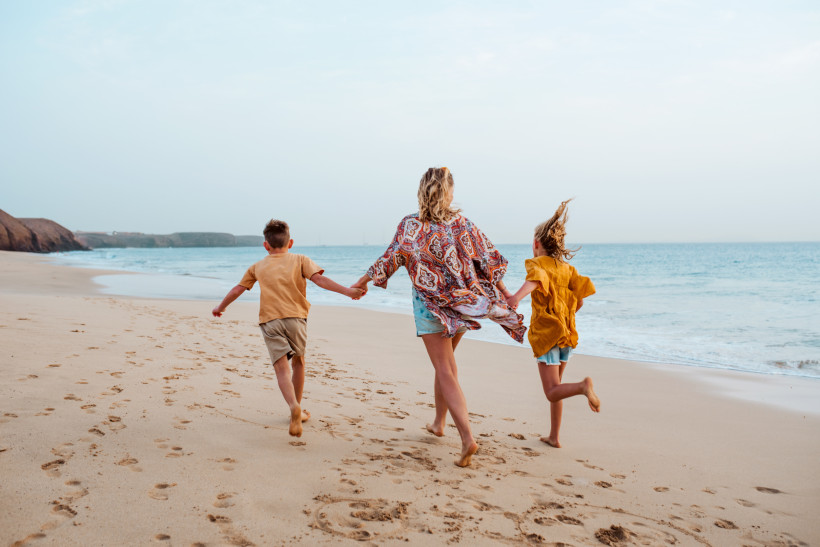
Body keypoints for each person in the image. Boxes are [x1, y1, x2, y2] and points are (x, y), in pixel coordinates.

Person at [351, 167, 525, 467]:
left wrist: (360, 283)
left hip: (430, 304)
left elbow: (389, 259)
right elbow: (487, 260)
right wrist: (507, 293)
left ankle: (467, 437)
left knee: (444, 367)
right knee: (446, 365)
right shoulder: (462, 224)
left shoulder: (411, 225)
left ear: (423, 190)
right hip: (462, 303)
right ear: (449, 192)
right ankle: (439, 423)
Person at [212, 219, 364, 438]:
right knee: (298, 362)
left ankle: (293, 406)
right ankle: (297, 411)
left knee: (281, 368)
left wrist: (220, 307)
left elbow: (238, 289)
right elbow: (320, 280)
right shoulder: (301, 259)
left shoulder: (257, 266)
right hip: (296, 319)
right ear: (290, 243)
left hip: (270, 321)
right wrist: (348, 292)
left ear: (266, 245)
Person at [505, 199, 600, 448]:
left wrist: (515, 298)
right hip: (566, 335)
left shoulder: (538, 265)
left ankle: (583, 387)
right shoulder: (568, 269)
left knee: (551, 391)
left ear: (536, 244)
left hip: (547, 336)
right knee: (558, 388)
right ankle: (554, 437)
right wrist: (564, 311)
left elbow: (535, 281)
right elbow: (579, 302)